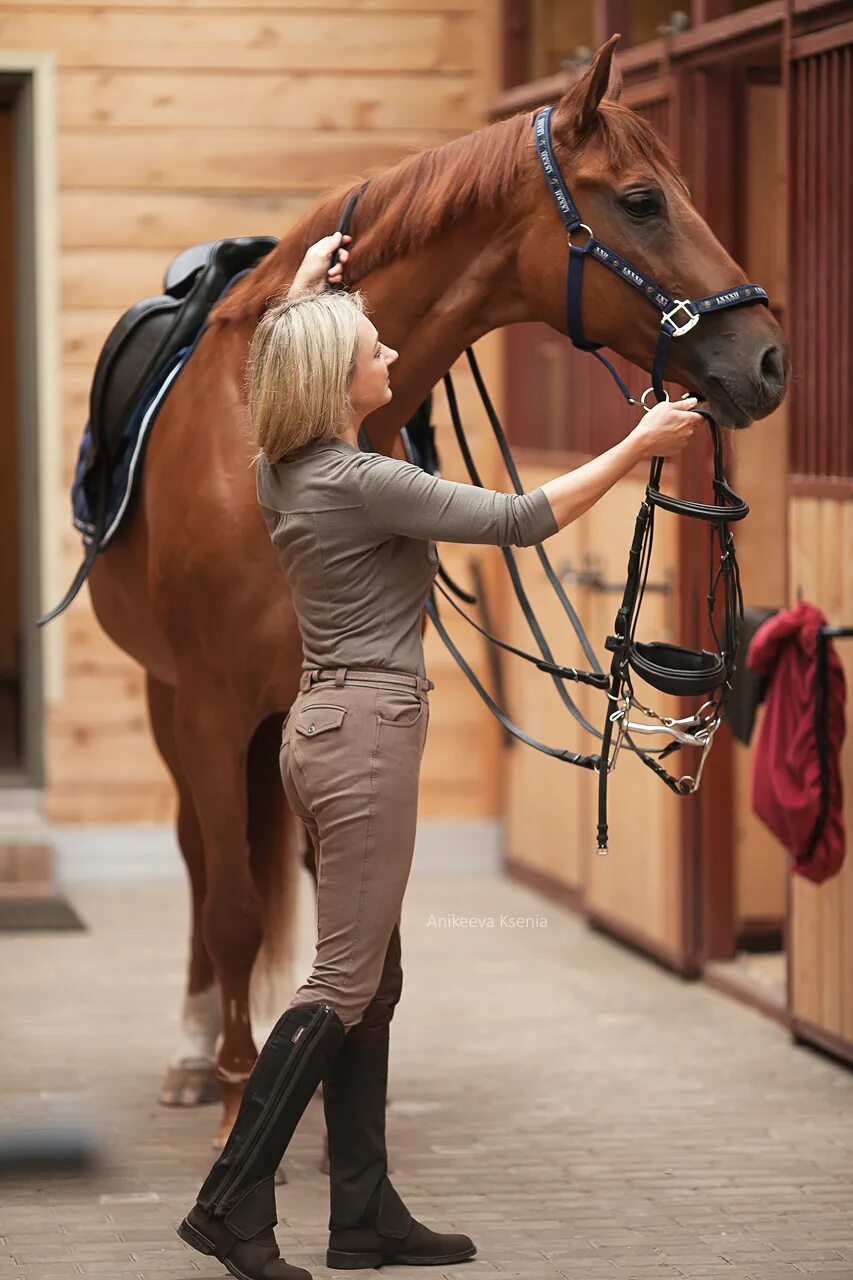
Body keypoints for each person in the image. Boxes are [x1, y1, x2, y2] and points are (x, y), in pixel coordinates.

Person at [177, 233, 703, 1280]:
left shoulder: (287, 465)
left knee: (375, 974)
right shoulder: (363, 479)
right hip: (365, 736)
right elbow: (517, 517)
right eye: (373, 347)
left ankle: (363, 1213)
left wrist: (313, 290)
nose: (390, 355)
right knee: (343, 979)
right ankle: (231, 1202)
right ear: (335, 378)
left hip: (327, 733)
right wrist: (638, 445)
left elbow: (272, 361)